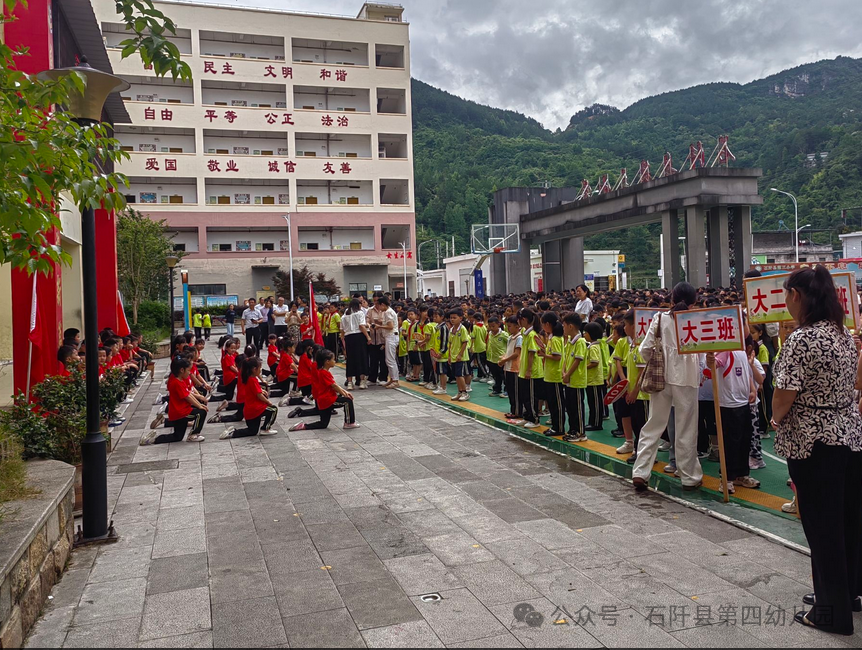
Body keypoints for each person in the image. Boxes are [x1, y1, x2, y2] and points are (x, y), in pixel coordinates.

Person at [772, 266, 862, 635]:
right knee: (847, 520)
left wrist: (777, 418)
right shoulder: (843, 334)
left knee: (822, 526)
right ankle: (848, 592)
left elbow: (783, 396)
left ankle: (831, 612)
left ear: (796, 295)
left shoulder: (802, 339)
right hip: (850, 435)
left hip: (813, 442)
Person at [632, 282, 704, 492]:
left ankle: (641, 471)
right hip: (687, 379)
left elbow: (644, 350)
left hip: (661, 378)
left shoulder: (660, 318)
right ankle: (689, 476)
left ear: (671, 299)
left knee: (654, 424)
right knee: (686, 428)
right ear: (694, 303)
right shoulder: (696, 320)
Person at [140, 357, 207, 445]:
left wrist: (199, 402)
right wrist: (199, 406)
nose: (189, 373)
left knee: (177, 437)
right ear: (182, 370)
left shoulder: (180, 381)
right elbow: (187, 397)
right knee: (201, 413)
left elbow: (189, 394)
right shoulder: (177, 383)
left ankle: (154, 439)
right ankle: (193, 435)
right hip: (181, 413)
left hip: (179, 412)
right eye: (188, 370)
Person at [289, 349, 359, 431]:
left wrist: (344, 392)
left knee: (323, 424)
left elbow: (334, 386)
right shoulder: (324, 373)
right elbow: (334, 386)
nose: (334, 361)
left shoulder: (321, 371)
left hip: (322, 401)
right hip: (328, 400)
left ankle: (303, 426)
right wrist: (345, 393)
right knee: (347, 401)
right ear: (327, 361)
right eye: (333, 359)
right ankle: (349, 423)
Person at [221, 356, 278, 439]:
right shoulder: (252, 380)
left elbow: (256, 391)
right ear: (254, 369)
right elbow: (259, 395)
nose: (260, 370)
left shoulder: (249, 378)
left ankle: (233, 433)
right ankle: (266, 428)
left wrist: (262, 390)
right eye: (260, 368)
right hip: (255, 409)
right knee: (273, 409)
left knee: (252, 431)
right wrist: (267, 402)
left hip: (249, 410)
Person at [341, 298, 370, 390]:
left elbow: (342, 329)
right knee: (361, 358)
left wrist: (343, 339)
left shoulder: (345, 315)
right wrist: (368, 337)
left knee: (350, 359)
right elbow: (361, 326)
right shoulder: (360, 313)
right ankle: (362, 381)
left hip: (348, 337)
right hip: (359, 337)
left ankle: (350, 382)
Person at [375, 296, 400, 388]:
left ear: (382, 304)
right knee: (389, 359)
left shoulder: (388, 312)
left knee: (390, 360)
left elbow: (390, 326)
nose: (379, 308)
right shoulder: (388, 312)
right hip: (390, 337)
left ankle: (395, 380)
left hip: (391, 336)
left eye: (379, 306)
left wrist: (379, 326)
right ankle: (393, 379)